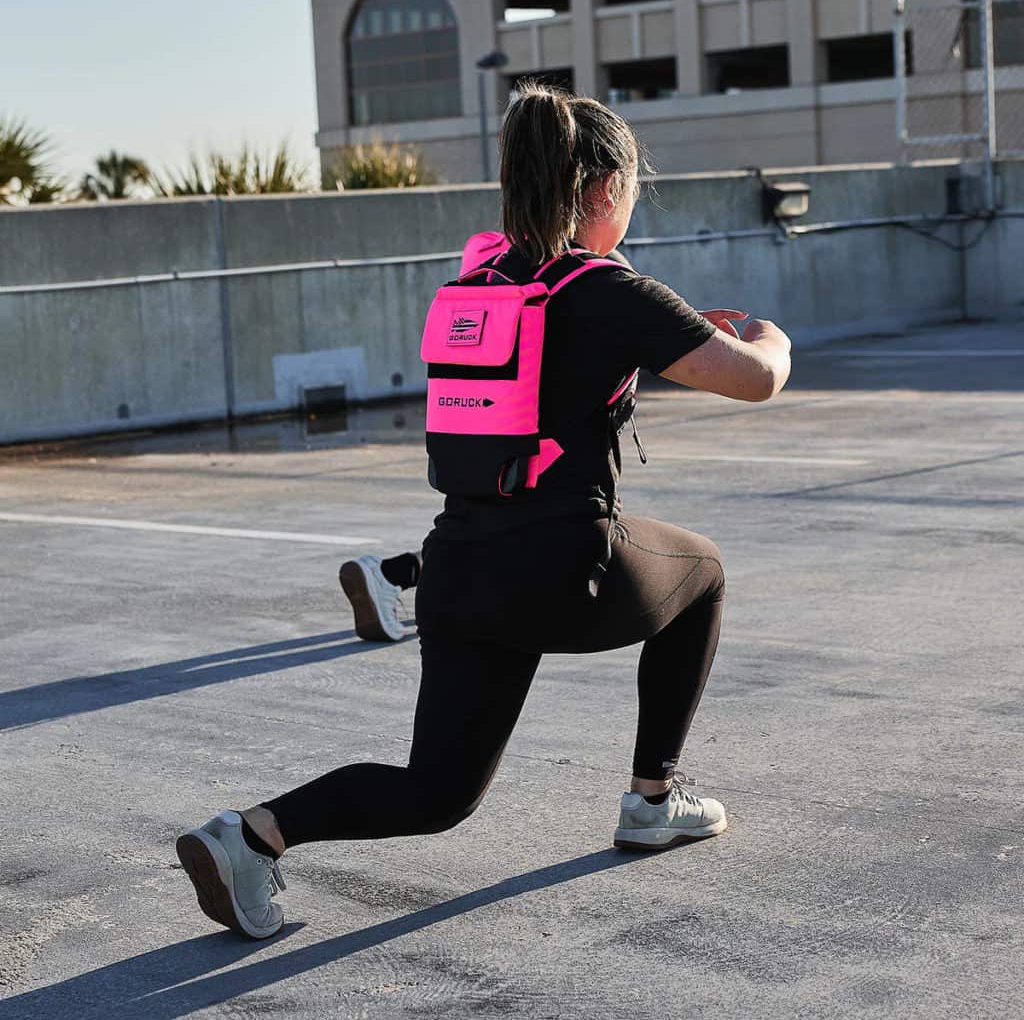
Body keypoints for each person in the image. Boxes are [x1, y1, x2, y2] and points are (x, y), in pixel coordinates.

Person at [176, 83, 792, 940]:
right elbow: (754, 380)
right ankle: (654, 798)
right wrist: (770, 338)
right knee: (707, 571)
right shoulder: (616, 291)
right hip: (569, 569)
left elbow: (558, 363)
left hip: (460, 568)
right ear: (608, 190)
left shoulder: (482, 281)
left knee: (437, 793)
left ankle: (252, 834)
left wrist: (668, 331)